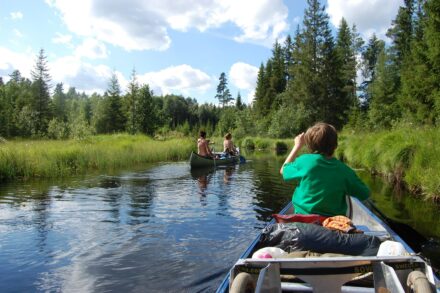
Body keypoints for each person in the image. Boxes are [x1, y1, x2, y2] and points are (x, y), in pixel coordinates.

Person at [280, 122, 370, 217]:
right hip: (331, 224)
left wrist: (297, 146)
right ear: (335, 146)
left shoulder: (303, 161)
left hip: (302, 221)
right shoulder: (345, 170)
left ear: (309, 146)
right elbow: (365, 194)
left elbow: (283, 170)